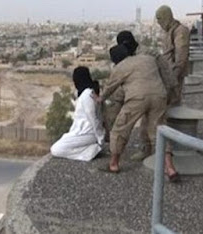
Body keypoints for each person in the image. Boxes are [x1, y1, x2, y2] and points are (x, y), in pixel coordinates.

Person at [101, 45, 179, 181]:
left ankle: (113, 163)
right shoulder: (147, 59)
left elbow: (110, 87)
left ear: (115, 60)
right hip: (159, 96)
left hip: (137, 98)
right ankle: (170, 168)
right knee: (158, 131)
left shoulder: (120, 67)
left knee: (121, 128)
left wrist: (100, 98)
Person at [50, 67, 105, 161]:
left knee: (56, 150)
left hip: (88, 133)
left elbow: (93, 118)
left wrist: (100, 138)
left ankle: (92, 151)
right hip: (81, 132)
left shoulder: (88, 95)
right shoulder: (85, 94)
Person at [156, 5, 190, 106]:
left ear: (166, 16)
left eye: (160, 19)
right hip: (168, 72)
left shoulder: (180, 31)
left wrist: (173, 77)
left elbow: (181, 56)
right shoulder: (170, 30)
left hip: (174, 73)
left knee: (173, 102)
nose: (159, 23)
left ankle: (175, 121)